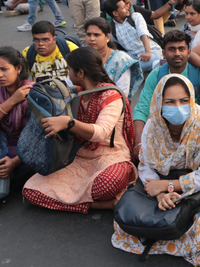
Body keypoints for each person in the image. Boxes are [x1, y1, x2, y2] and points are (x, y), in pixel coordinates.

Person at [113, 74, 200, 266]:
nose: (178, 107)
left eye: (183, 101)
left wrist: (168, 186)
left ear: (191, 100)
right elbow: (146, 165)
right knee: (123, 220)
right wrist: (159, 194)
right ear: (159, 103)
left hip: (198, 186)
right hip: (158, 183)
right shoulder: (152, 126)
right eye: (170, 102)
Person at [23, 47, 137, 214]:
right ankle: (98, 205)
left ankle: (80, 197)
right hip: (79, 157)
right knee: (31, 191)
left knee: (109, 183)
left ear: (81, 73)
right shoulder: (78, 93)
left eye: (69, 70)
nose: (68, 74)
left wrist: (69, 123)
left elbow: (101, 133)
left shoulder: (111, 96)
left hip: (110, 157)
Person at [132, 30, 200, 139]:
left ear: (189, 52)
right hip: (164, 130)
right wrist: (138, 142)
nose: (177, 53)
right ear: (163, 53)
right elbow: (141, 109)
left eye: (181, 49)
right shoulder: (156, 75)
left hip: (196, 129)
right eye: (172, 49)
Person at [0, 47, 35, 188]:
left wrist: (15, 162)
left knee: (29, 167)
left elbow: (38, 137)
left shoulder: (33, 91)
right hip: (3, 144)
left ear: (18, 68)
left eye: (4, 69)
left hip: (28, 149)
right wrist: (12, 101)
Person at [84, 17, 143, 98]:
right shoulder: (81, 56)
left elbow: (122, 93)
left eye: (96, 35)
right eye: (88, 34)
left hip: (113, 105)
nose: (91, 39)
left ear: (108, 37)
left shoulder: (121, 60)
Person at [104, 0, 163, 72]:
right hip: (133, 56)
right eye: (123, 7)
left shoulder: (136, 16)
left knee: (132, 67)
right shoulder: (112, 29)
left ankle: (136, 68)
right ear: (115, 13)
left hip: (152, 52)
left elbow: (143, 34)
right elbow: (112, 46)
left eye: (126, 5)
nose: (127, 8)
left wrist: (147, 52)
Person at [113, 0, 177, 27]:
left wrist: (170, 3)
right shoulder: (107, 18)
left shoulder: (135, 10)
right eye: (127, 3)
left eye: (130, 1)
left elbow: (155, 14)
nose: (131, 4)